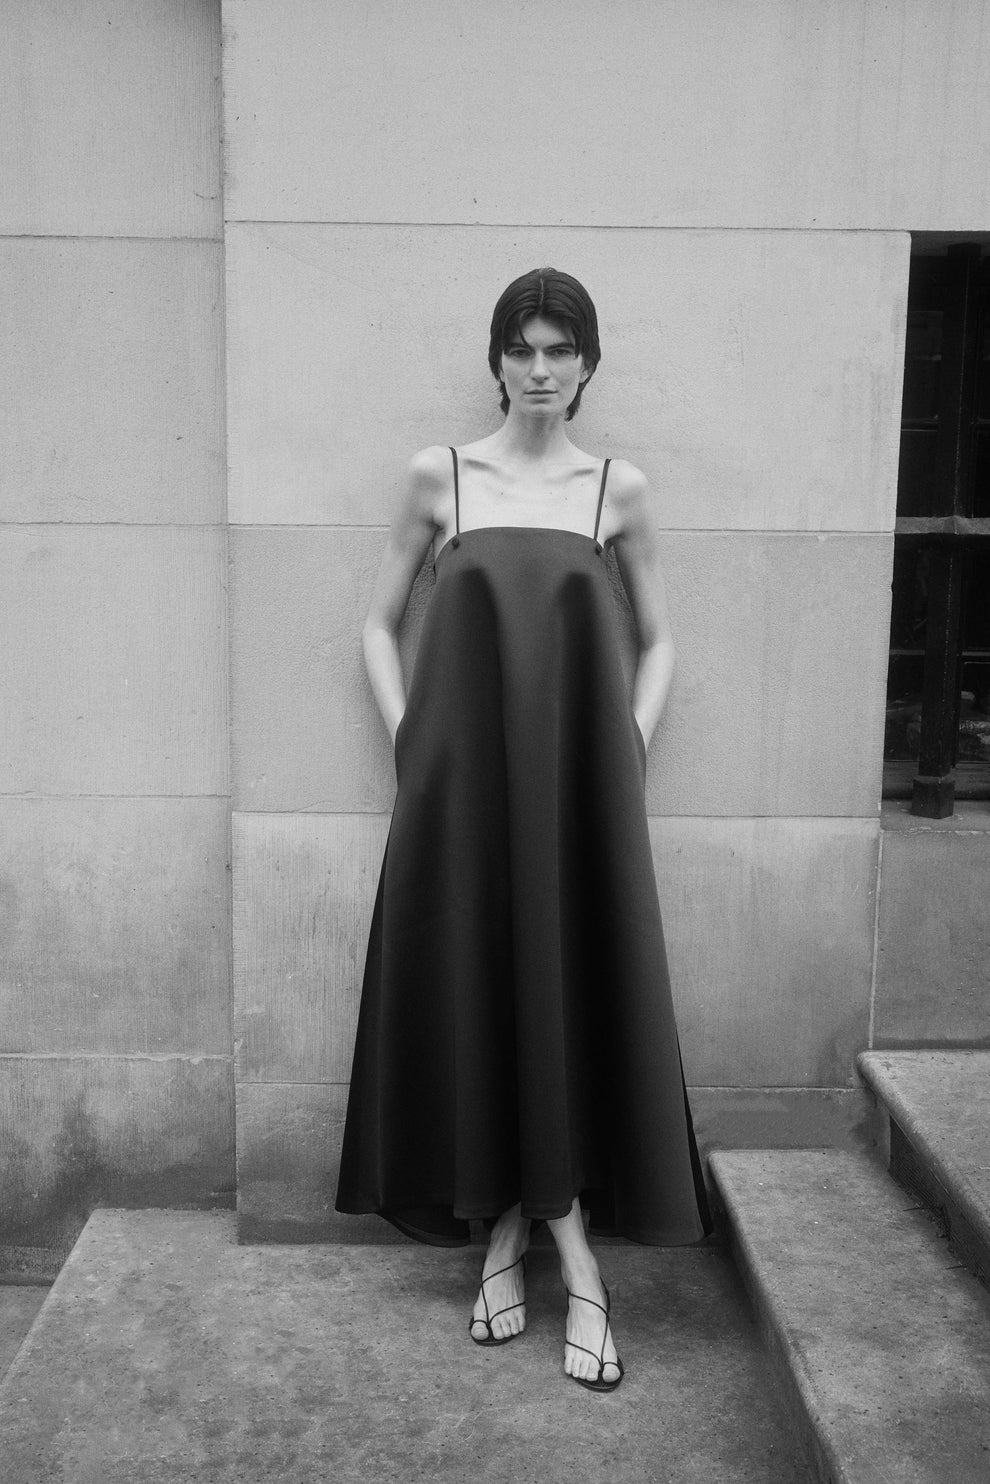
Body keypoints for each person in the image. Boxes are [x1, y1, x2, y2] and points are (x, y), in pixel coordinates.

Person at [335, 267, 711, 1392]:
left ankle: (532, 1244)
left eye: (561, 350)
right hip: (458, 794)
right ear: (495, 360)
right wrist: (416, 744)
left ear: (590, 363)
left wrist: (630, 747)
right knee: (480, 991)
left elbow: (660, 639)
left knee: (566, 990)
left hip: (580, 794)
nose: (541, 369)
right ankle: (554, 1254)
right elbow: (375, 622)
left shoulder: (617, 491)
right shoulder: (441, 477)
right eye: (523, 348)